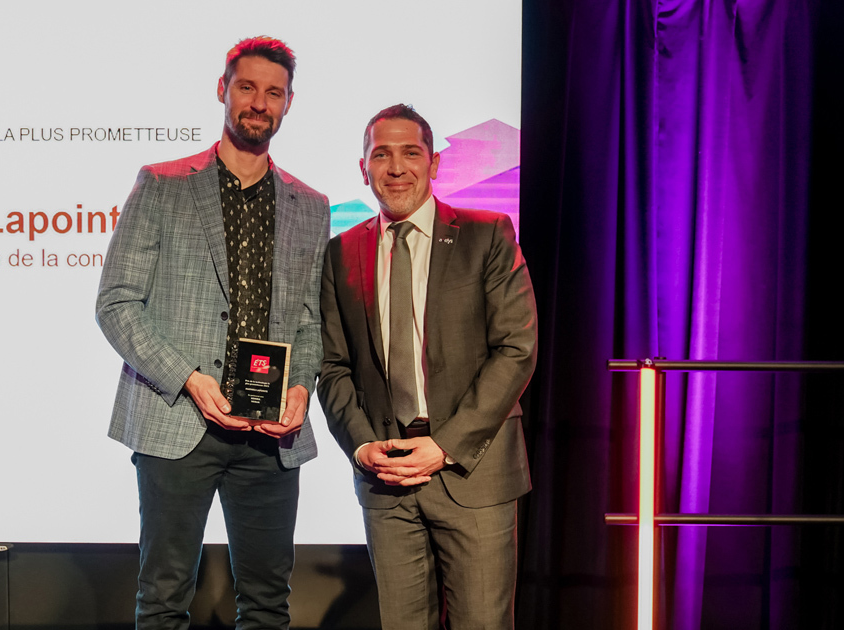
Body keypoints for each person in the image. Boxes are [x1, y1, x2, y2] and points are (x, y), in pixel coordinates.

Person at [96, 37, 329, 629]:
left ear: (288, 103)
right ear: (223, 89)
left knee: (269, 605)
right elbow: (117, 304)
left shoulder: (310, 204)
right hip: (178, 423)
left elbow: (308, 319)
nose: (259, 102)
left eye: (272, 92)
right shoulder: (163, 184)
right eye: (247, 87)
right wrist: (191, 380)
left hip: (270, 434)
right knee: (165, 600)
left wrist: (300, 387)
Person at [317, 104, 537, 629]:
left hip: (472, 472)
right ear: (363, 168)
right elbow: (331, 365)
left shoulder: (488, 234)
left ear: (434, 163)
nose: (397, 167)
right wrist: (363, 445)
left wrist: (445, 446)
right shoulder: (339, 252)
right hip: (385, 475)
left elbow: (516, 348)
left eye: (411, 153)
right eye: (382, 154)